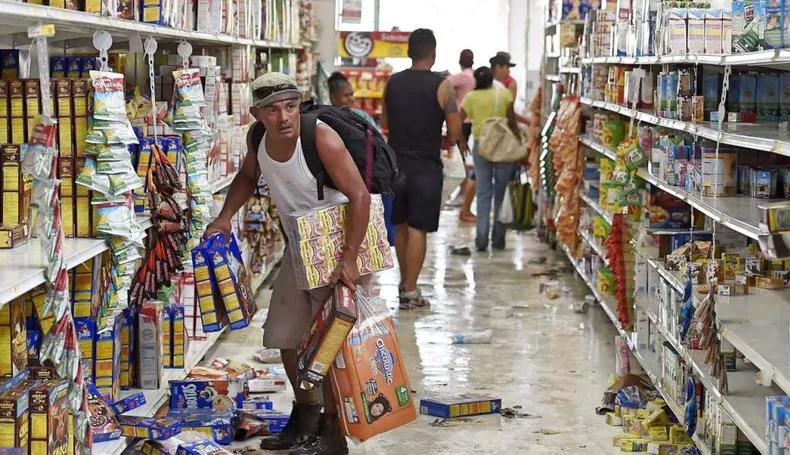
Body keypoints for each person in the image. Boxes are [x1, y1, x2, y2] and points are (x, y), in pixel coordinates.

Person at [204, 72, 371, 455]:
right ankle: (305, 417)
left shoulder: (320, 138)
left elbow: (360, 196)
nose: (284, 117)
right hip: (297, 244)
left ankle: (333, 433)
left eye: (291, 107)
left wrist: (348, 260)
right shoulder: (258, 139)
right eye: (273, 110)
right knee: (285, 337)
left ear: (300, 106)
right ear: (257, 114)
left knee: (329, 346)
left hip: (335, 243)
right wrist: (225, 217)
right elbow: (248, 177)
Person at [381, 28, 467, 310]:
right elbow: (454, 131)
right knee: (419, 229)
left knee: (401, 226)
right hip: (425, 167)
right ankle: (410, 290)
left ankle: (404, 284)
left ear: (409, 52)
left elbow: (385, 123)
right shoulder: (443, 86)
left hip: (396, 166)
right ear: (433, 53)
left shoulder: (393, 83)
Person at [460, 66, 518, 252]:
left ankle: (481, 239)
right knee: (501, 191)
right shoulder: (504, 94)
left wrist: (462, 141)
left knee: (483, 191)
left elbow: (458, 120)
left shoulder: (471, 97)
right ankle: (498, 239)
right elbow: (512, 121)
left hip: (481, 145)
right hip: (502, 144)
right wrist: (519, 143)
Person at [447, 49, 476, 223]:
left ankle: (462, 190)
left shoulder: (462, 77)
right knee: (464, 157)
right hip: (472, 121)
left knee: (460, 157)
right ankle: (463, 191)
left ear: (460, 62)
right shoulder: (475, 76)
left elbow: (444, 82)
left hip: (461, 121)